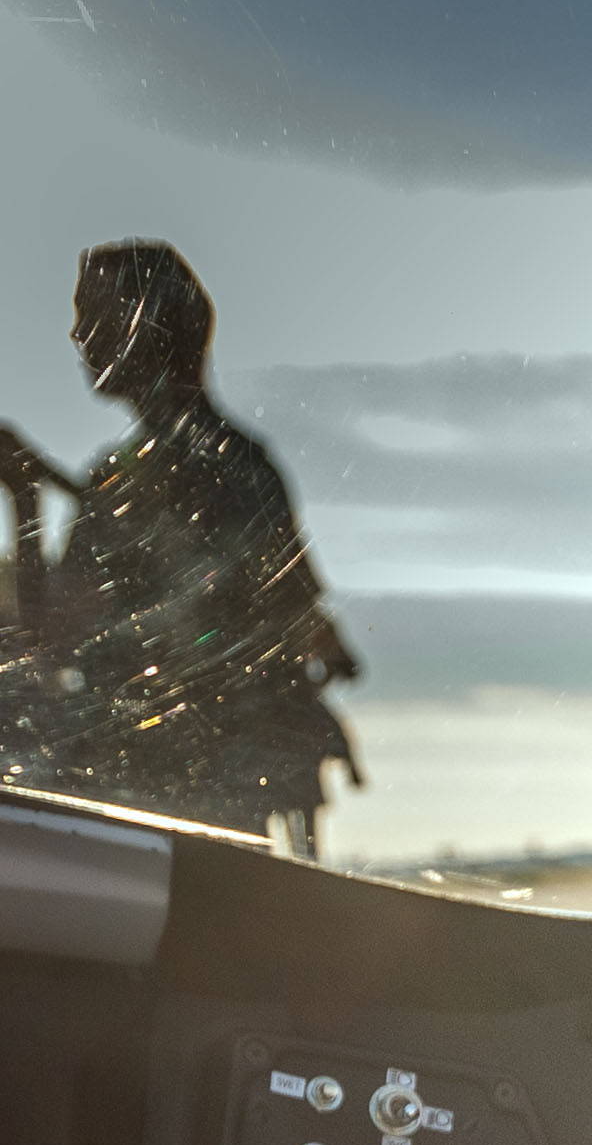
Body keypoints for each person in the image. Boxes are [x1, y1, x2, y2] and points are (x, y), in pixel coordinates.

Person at [0, 241, 358, 851]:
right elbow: (304, 618)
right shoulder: (225, 465)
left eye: (93, 316)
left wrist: (26, 500)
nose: (77, 335)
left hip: (172, 787)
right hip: (195, 784)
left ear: (146, 329)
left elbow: (52, 641)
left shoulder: (156, 476)